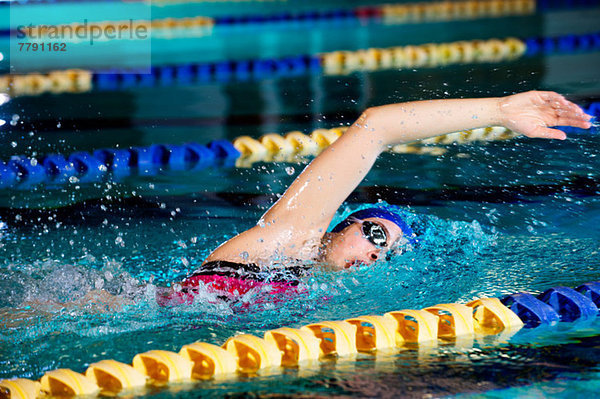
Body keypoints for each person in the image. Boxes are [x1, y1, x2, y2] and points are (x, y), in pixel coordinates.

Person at [157, 90, 592, 306]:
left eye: (386, 257)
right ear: (343, 224)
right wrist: (499, 111)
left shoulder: (311, 291)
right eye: (377, 238)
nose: (373, 258)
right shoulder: (287, 241)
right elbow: (376, 127)